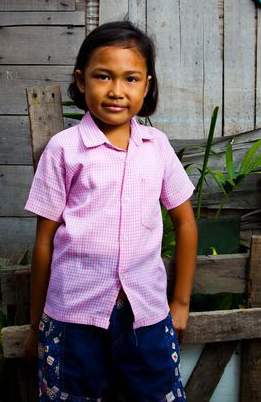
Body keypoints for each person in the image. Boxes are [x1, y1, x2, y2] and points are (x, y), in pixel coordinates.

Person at [22, 21, 198, 401]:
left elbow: (185, 223)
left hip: (147, 316)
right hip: (72, 318)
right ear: (82, 80)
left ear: (147, 85)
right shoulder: (64, 149)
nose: (117, 91)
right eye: (103, 76)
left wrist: (180, 303)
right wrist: (37, 324)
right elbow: (43, 243)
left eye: (131, 79)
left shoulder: (157, 147)